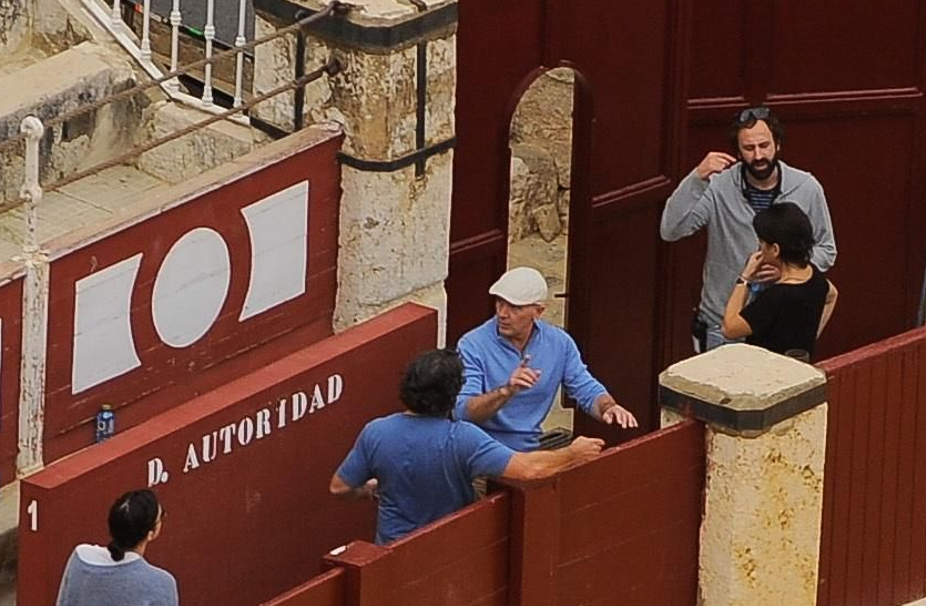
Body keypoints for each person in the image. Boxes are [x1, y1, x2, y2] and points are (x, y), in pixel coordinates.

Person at [332, 348, 604, 545]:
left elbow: (340, 487)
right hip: (450, 547)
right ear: (452, 396)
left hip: (392, 548)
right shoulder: (462, 438)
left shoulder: (377, 432)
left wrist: (366, 490)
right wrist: (573, 453)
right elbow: (529, 469)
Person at [659, 106, 837, 351]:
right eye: (749, 148)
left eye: (764, 145)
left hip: (780, 327)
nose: (758, 155)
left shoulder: (807, 187)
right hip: (722, 325)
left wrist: (787, 268)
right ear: (738, 152)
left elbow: (827, 250)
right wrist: (697, 178)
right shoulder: (718, 186)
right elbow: (670, 230)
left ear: (778, 144)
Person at [454, 266, 638, 451]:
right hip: (480, 448)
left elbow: (585, 387)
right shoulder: (472, 344)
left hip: (529, 447)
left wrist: (609, 407)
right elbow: (463, 411)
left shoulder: (559, 342)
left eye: (514, 307)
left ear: (538, 311)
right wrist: (507, 391)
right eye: (500, 303)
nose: (502, 313)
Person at [721, 202, 838, 360]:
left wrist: (744, 279)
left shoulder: (777, 296)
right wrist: (812, 337)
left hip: (768, 374)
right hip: (800, 367)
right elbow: (832, 295)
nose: (760, 249)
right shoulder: (814, 276)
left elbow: (730, 327)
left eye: (762, 244)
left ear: (775, 249)